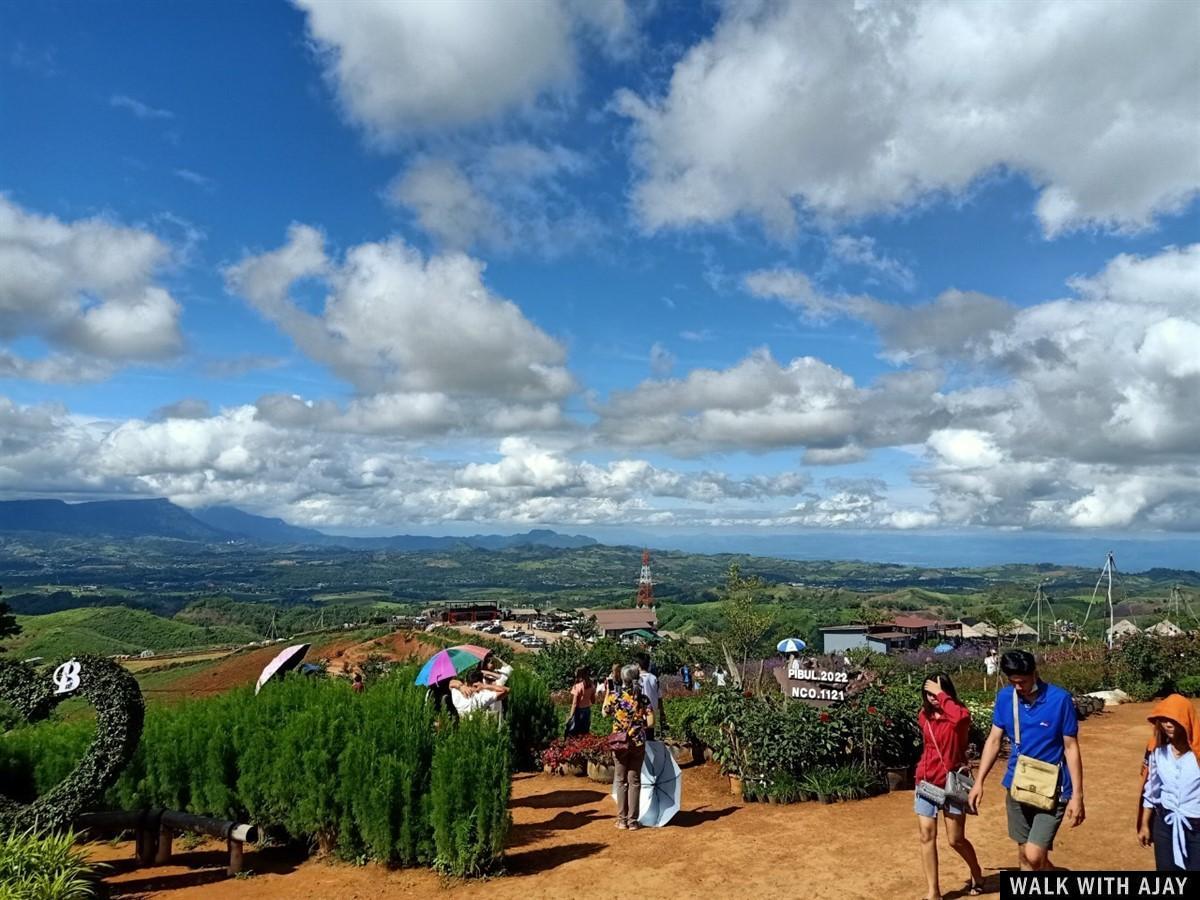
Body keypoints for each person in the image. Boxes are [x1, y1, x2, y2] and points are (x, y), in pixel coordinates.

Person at [967, 650, 1084, 871]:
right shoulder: (1005, 698)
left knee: (1033, 853)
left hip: (1052, 788)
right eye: (1013, 682)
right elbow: (994, 740)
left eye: (1023, 681)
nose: (1019, 687)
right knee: (1024, 854)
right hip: (1017, 785)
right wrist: (979, 782)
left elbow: (1071, 747)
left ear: (1035, 673)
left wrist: (1077, 795)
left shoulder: (1060, 700)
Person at [915, 673, 984, 900]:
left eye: (938, 692)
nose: (933, 697)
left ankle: (976, 871)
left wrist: (942, 695)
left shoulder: (958, 715)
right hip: (926, 782)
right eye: (929, 693)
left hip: (952, 782)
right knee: (926, 835)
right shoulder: (924, 717)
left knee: (955, 839)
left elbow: (961, 719)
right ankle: (933, 892)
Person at [1139, 694, 1200, 871]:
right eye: (1164, 719)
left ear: (1187, 720)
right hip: (1165, 825)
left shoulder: (1196, 755)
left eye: (1174, 719)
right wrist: (1144, 825)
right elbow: (1151, 791)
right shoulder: (1158, 752)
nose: (1168, 724)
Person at [602, 663, 654, 831]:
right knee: (635, 781)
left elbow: (604, 712)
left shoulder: (615, 696)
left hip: (619, 743)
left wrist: (608, 692)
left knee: (620, 780)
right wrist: (638, 726)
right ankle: (633, 821)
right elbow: (651, 722)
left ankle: (622, 820)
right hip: (637, 742)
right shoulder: (643, 698)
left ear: (622, 679)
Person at [636, 653, 664, 739]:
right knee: (650, 737)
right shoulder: (654, 678)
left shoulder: (636, 679)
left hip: (639, 714)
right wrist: (662, 712)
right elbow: (659, 697)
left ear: (638, 665)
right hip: (651, 714)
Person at [565, 666, 596, 737]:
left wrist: (570, 716)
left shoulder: (577, 687)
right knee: (585, 731)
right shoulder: (591, 685)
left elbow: (574, 703)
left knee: (575, 732)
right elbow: (593, 701)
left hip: (579, 711)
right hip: (587, 710)